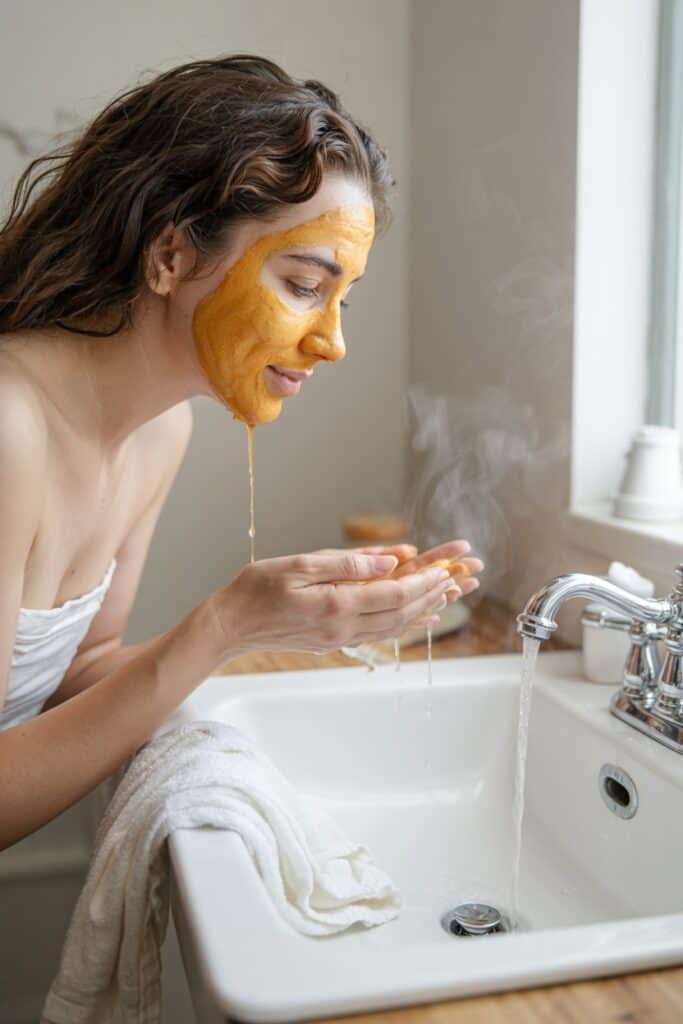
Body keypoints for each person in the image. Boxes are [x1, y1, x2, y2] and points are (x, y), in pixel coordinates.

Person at [0, 55, 483, 852]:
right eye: (302, 283)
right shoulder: (11, 426)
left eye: (342, 299)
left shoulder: (161, 430)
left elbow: (75, 680)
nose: (332, 342)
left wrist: (285, 621)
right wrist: (224, 623)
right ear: (170, 257)